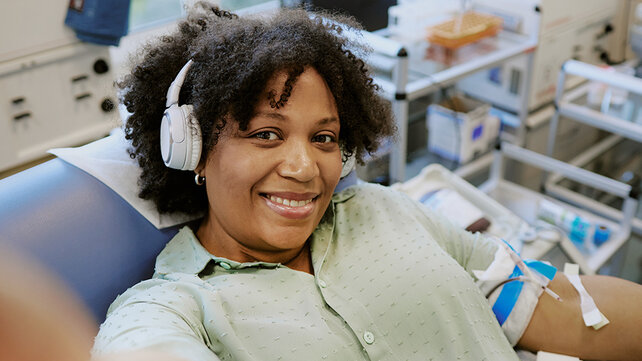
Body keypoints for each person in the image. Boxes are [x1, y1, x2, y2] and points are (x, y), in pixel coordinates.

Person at [93, 2, 642, 361]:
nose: (305, 168)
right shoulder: (173, 307)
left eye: (325, 139)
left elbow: (560, 305)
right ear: (192, 148)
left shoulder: (390, 212)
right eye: (265, 134)